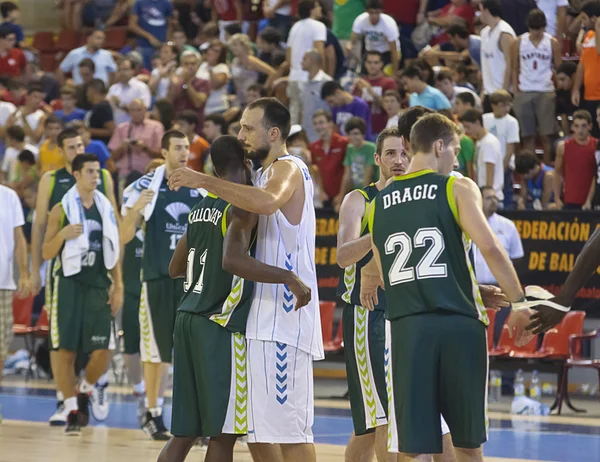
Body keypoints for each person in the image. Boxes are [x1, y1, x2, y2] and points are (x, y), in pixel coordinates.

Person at [362, 113, 530, 460]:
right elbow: (491, 248)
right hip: (458, 326)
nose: (457, 158)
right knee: (467, 444)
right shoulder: (456, 186)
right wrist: (520, 303)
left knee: (412, 447)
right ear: (439, 146)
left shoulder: (379, 203)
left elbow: (381, 269)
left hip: (408, 330)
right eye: (455, 149)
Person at [168, 97, 324, 462]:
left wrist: (202, 180)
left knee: (290, 432)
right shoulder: (259, 177)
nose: (241, 134)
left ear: (274, 132)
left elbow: (267, 203)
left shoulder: (288, 167)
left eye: (248, 128)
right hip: (255, 321)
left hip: (286, 317)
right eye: (240, 127)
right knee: (256, 431)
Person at [29, 128, 118, 427]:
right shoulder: (60, 205)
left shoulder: (105, 206)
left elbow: (115, 245)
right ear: (77, 174)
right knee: (63, 348)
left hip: (97, 283)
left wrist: (119, 283)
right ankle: (69, 406)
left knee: (103, 349)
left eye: (97, 171)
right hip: (67, 283)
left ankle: (86, 389)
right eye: (90, 172)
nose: (96, 176)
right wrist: (63, 236)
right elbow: (45, 249)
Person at [120, 130, 203, 440]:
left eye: (187, 147)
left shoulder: (198, 187)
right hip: (156, 278)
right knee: (155, 352)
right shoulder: (145, 187)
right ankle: (153, 413)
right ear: (165, 150)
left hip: (192, 281)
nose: (184, 152)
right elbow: (124, 236)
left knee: (190, 352)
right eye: (178, 147)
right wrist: (136, 209)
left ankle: (194, 418)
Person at [336, 127, 412, 462]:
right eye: (392, 154)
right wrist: (381, 224)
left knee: (371, 423)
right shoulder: (360, 199)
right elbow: (343, 255)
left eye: (405, 153)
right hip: (368, 315)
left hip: (406, 315)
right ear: (377, 158)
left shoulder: (416, 202)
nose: (399, 160)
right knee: (382, 417)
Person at [120, 159, 165, 426]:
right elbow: (116, 251)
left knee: (160, 352)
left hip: (157, 291)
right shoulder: (131, 220)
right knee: (130, 348)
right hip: (130, 292)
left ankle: (155, 401)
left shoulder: (166, 223)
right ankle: (139, 389)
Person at [512, 9, 561, 164]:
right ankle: (529, 168)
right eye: (534, 28)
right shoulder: (519, 42)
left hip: (546, 91)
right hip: (525, 90)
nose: (536, 32)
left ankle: (545, 168)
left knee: (547, 136)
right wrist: (516, 90)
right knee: (527, 136)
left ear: (544, 27)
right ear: (529, 27)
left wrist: (557, 88)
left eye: (539, 28)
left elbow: (559, 67)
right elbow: (514, 67)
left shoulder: (552, 42)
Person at [0, 183, 30, 423]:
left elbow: (19, 239)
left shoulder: (9, 196)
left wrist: (25, 273)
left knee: (0, 350)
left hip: (3, 283)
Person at [285, 0, 327, 125]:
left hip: (293, 77)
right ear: (311, 9)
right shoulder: (318, 26)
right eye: (318, 6)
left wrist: (294, 70)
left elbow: (288, 54)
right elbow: (318, 53)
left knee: (294, 115)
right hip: (309, 79)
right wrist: (321, 75)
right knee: (310, 117)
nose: (320, 8)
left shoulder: (295, 26)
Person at [554, 109, 598, 210]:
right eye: (577, 126)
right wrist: (556, 198)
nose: (580, 130)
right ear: (572, 127)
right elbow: (557, 172)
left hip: (592, 201)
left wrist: (589, 200)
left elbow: (596, 176)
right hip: (570, 200)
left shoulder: (596, 146)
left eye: (583, 126)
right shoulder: (563, 147)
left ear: (590, 126)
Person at [460, 108, 505, 203]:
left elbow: (490, 170)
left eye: (468, 127)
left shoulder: (488, 143)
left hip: (491, 197)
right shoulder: (480, 142)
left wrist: (487, 195)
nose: (466, 131)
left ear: (477, 123)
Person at [479, 0, 516, 112]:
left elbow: (510, 64)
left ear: (486, 10)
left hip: (502, 92)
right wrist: (483, 91)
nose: (479, 15)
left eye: (480, 11)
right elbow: (486, 65)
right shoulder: (484, 32)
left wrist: (504, 92)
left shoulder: (504, 33)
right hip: (488, 92)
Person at [348, 0, 400, 76]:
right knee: (364, 76)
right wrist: (350, 45)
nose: (374, 16)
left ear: (381, 12)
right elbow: (353, 38)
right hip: (370, 50)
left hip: (387, 52)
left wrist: (394, 74)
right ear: (367, 12)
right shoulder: (360, 20)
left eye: (377, 13)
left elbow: (394, 50)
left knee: (384, 76)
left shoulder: (389, 24)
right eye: (371, 13)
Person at [353, 50, 398, 136]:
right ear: (365, 64)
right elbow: (354, 106)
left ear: (381, 64)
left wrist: (370, 91)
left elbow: (391, 107)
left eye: (376, 63)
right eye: (369, 62)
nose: (372, 66)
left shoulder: (389, 83)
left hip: (383, 129)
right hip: (363, 130)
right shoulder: (360, 82)